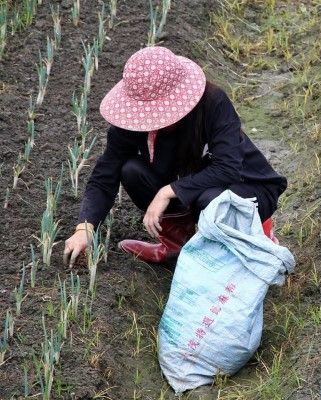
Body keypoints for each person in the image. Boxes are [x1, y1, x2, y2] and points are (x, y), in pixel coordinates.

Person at [62, 46, 287, 266]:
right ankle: (177, 245)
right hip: (197, 186)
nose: (150, 118)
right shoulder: (131, 122)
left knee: (210, 201)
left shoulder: (212, 103)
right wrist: (85, 227)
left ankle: (251, 244)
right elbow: (105, 175)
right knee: (131, 171)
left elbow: (227, 168)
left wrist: (167, 192)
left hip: (247, 186)